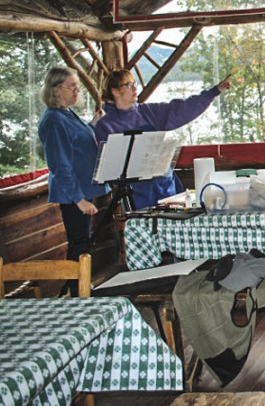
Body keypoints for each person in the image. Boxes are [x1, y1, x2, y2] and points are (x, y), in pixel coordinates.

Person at [94, 69, 231, 209]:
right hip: (136, 196)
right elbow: (110, 167)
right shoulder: (105, 125)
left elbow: (182, 109)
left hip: (165, 188)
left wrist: (214, 92)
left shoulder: (148, 112)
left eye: (134, 83)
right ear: (115, 91)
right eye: (128, 85)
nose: (135, 88)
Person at [38, 67, 110, 295]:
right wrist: (78, 199)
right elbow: (59, 165)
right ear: (57, 90)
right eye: (72, 86)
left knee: (83, 243)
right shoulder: (53, 120)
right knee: (79, 244)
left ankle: (80, 288)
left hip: (82, 189)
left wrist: (94, 123)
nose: (77, 90)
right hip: (73, 193)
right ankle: (78, 293)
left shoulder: (67, 113)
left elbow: (78, 141)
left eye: (77, 85)